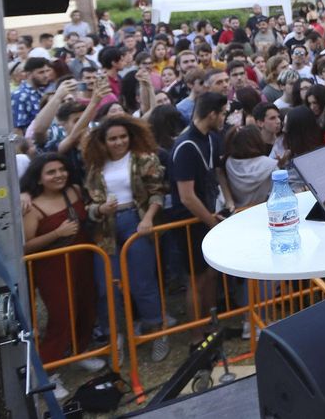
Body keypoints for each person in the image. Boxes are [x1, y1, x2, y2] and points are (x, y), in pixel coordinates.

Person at [80, 116, 171, 362]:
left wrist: (149, 218)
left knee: (142, 282)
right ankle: (115, 338)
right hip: (105, 227)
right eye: (113, 138)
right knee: (106, 285)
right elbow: (87, 204)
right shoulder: (94, 165)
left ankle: (157, 331)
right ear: (103, 141)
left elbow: (158, 192)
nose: (119, 142)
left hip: (136, 220)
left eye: (123, 137)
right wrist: (99, 210)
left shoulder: (144, 159)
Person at [20, 153, 104, 370]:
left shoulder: (74, 191)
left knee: (86, 306)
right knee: (61, 316)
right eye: (51, 172)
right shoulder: (32, 207)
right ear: (39, 178)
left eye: (61, 170)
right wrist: (57, 233)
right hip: (52, 268)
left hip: (83, 260)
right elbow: (26, 246)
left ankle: (79, 351)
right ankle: (47, 370)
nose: (59, 175)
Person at [165, 92, 231, 325]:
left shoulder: (212, 138)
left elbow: (215, 174)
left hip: (209, 215)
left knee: (211, 275)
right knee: (197, 280)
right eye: (222, 113)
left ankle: (213, 327)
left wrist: (228, 202)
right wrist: (212, 223)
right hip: (192, 222)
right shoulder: (185, 146)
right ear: (212, 114)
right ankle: (197, 335)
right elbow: (187, 197)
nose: (225, 117)